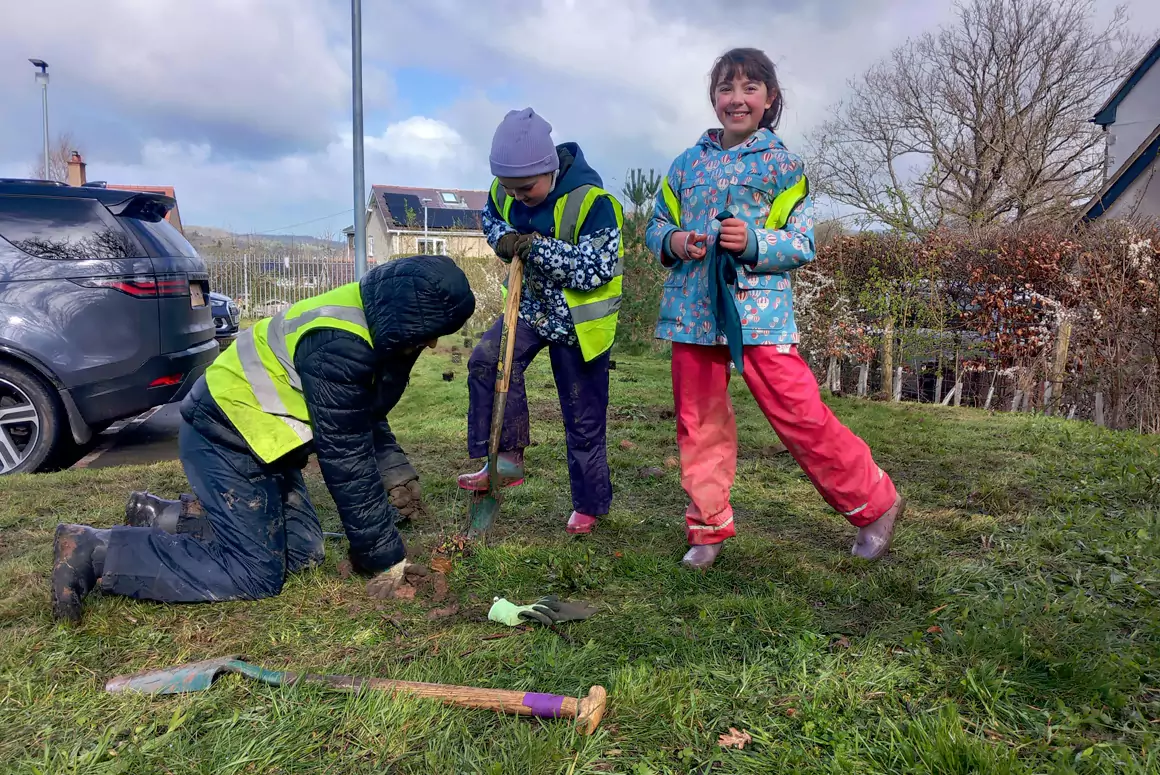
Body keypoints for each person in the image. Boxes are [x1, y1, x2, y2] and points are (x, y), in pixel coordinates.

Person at [51, 254, 476, 622]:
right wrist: (385, 559)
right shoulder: (339, 346)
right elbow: (346, 459)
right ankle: (98, 551)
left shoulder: (377, 325)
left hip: (265, 444)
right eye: (430, 331)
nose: (435, 342)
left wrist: (396, 472)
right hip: (224, 439)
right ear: (404, 316)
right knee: (255, 573)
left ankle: (162, 516)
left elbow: (362, 412)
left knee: (305, 554)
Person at [645, 48, 905, 570]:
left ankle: (874, 503)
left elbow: (802, 243)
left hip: (759, 317)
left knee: (799, 414)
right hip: (693, 315)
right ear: (713, 97)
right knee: (699, 424)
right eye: (725, 88)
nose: (736, 99)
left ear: (770, 99)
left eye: (749, 88)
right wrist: (674, 241)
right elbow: (654, 227)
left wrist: (755, 242)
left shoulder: (785, 167)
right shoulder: (684, 165)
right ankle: (707, 525)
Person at [459, 107, 624, 535]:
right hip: (530, 310)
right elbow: (491, 218)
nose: (516, 197)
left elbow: (598, 267)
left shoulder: (594, 203)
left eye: (525, 188)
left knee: (582, 416)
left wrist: (539, 249)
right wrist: (504, 240)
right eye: (509, 187)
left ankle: (589, 504)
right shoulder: (505, 191)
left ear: (549, 168)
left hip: (579, 323)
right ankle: (505, 458)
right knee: (486, 360)